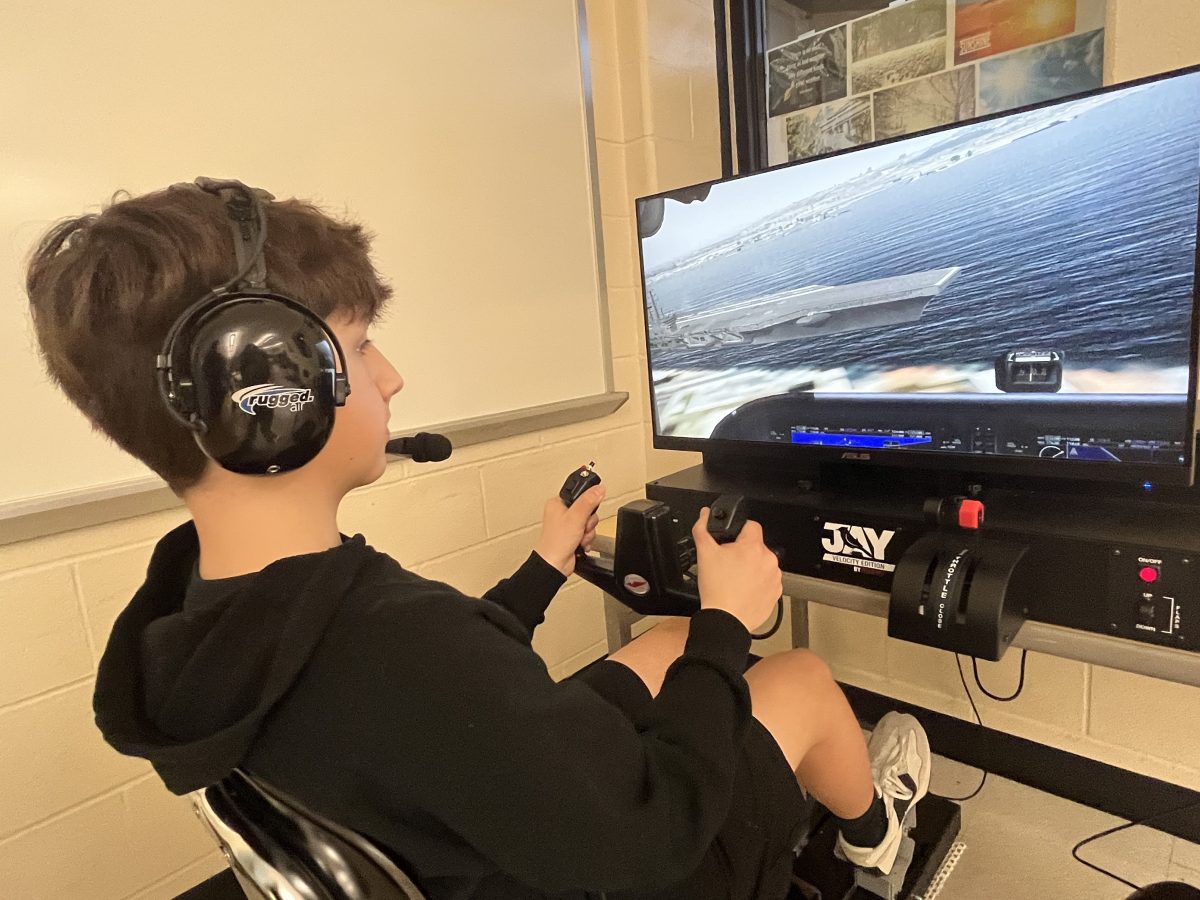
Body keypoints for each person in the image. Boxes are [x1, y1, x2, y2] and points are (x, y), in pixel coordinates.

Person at [25, 180, 931, 900]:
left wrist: (543, 570)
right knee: (798, 679)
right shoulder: (394, 641)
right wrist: (731, 619)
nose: (391, 376)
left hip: (460, 837)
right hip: (626, 866)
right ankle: (879, 839)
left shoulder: (191, 616)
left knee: (669, 640)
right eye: (359, 345)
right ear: (268, 396)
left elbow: (444, 695)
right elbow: (651, 834)